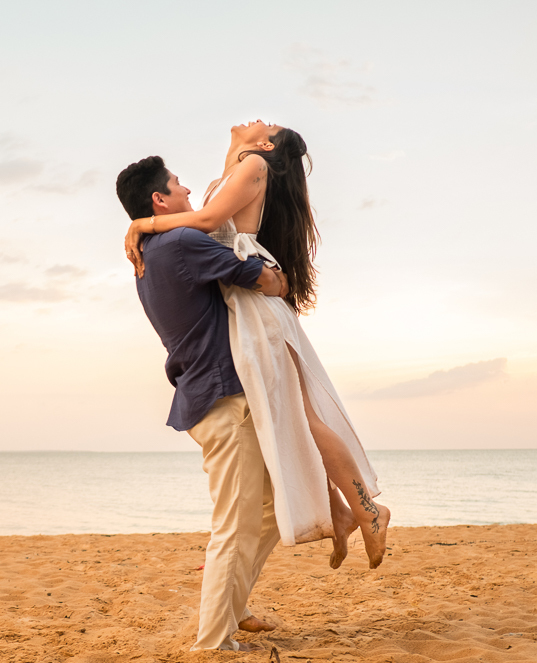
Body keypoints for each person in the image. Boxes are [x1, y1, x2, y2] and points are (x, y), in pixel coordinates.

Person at [124, 121, 390, 571]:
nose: (254, 121)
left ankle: (368, 509)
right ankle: (342, 513)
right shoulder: (233, 170)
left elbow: (206, 223)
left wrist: (142, 223)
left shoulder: (254, 165)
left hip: (255, 305)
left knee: (303, 416)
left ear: (266, 145)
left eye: (266, 125)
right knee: (284, 420)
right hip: (242, 307)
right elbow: (204, 224)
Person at [115, 155, 289, 652]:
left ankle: (233, 607)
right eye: (178, 184)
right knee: (234, 524)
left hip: (209, 395)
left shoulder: (152, 250)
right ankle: (213, 642)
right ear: (159, 200)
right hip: (223, 398)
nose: (188, 190)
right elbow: (263, 278)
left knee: (272, 509)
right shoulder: (180, 243)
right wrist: (279, 279)